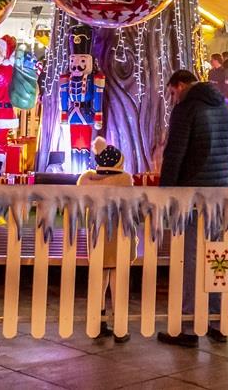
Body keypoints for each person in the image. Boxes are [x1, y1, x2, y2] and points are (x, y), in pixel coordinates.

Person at [157, 69, 228, 348]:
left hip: (192, 194)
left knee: (190, 258)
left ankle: (188, 326)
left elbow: (174, 156)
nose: (172, 98)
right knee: (216, 257)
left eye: (172, 92)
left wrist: (166, 195)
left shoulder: (186, 108)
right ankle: (217, 322)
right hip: (220, 192)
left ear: (179, 86)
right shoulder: (224, 106)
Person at [77, 137, 134, 342]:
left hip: (97, 240)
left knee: (98, 283)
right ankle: (120, 328)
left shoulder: (89, 184)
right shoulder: (125, 185)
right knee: (118, 284)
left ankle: (98, 323)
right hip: (119, 242)